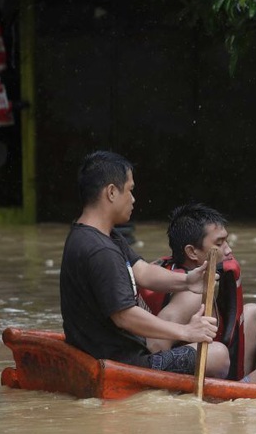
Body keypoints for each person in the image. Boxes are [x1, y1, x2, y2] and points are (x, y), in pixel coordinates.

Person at [60, 151, 229, 378]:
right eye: (129, 190)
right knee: (218, 354)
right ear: (111, 192)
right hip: (122, 364)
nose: (133, 199)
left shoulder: (99, 236)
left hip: (112, 353)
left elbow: (143, 271)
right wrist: (186, 331)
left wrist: (188, 280)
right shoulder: (100, 250)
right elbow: (125, 316)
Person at [141, 203, 256, 386]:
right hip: (200, 376)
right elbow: (155, 345)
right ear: (192, 252)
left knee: (252, 312)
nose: (228, 250)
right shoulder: (192, 294)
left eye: (226, 241)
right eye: (219, 244)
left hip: (220, 371)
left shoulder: (171, 270)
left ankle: (242, 382)